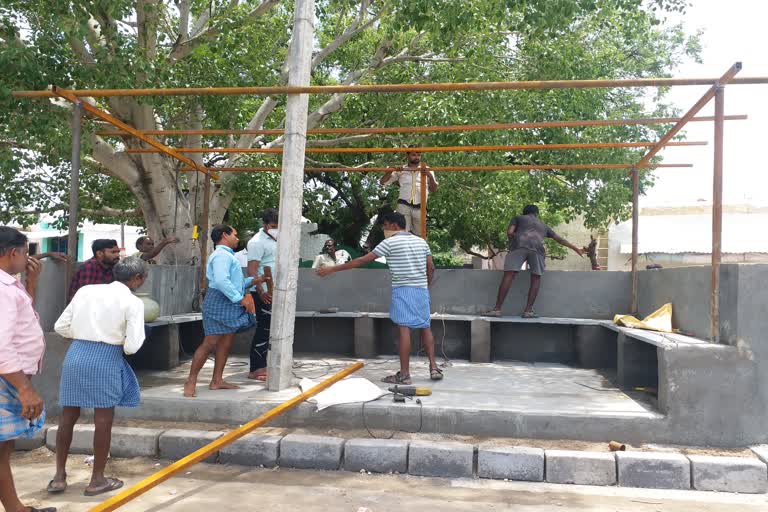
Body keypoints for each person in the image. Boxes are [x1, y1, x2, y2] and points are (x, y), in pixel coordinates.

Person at [48, 256, 148, 497]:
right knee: (103, 420)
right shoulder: (133, 302)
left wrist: (84, 334)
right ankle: (97, 479)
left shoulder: (86, 291)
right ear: (136, 279)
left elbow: (60, 326)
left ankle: (59, 476)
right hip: (106, 357)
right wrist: (114, 341)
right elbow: (133, 345)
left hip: (76, 355)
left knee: (68, 416)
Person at [317, 212, 443, 384]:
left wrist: (331, 269)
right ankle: (434, 368)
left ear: (393, 225)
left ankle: (405, 375)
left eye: (385, 226)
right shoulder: (421, 242)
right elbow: (431, 268)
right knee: (425, 327)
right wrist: (426, 285)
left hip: (402, 290)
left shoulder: (389, 243)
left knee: (404, 330)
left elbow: (362, 261)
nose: (384, 229)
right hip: (421, 290)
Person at [0, 227, 57, 512]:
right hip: (6, 378)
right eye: (25, 252)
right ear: (13, 253)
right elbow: (1, 343)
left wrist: (30, 284)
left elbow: (22, 321)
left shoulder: (9, 286)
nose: (27, 259)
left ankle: (14, 508)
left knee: (4, 446)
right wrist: (24, 389)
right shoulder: (2, 290)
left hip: (8, 376)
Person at [184, 225, 255, 397]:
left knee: (226, 342)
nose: (237, 238)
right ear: (225, 235)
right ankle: (191, 381)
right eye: (235, 234)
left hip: (228, 301)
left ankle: (217, 380)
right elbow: (222, 282)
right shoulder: (222, 255)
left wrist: (254, 280)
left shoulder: (227, 255)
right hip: (221, 301)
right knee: (210, 342)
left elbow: (233, 283)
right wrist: (241, 299)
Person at [486, 205, 583, 318]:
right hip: (538, 250)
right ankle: (528, 311)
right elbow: (560, 240)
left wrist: (515, 240)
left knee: (509, 275)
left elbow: (509, 232)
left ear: (524, 212)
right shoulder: (544, 225)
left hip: (519, 246)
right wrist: (576, 248)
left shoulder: (518, 218)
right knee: (536, 278)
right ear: (537, 214)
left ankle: (497, 309)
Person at [246, 209, 279, 382]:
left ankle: (264, 365)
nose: (276, 229)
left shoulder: (277, 239)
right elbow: (252, 270)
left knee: (272, 329)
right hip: (264, 292)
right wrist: (261, 291)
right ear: (265, 225)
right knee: (264, 328)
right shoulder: (257, 242)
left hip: (275, 291)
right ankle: (257, 369)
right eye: (273, 226)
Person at [380, 148, 438, 237]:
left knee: (420, 236)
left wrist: (430, 176)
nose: (417, 157)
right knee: (401, 233)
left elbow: (434, 189)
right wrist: (389, 172)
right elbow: (383, 182)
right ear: (407, 156)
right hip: (404, 204)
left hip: (420, 206)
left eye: (419, 155)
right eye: (414, 155)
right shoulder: (401, 169)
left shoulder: (427, 170)